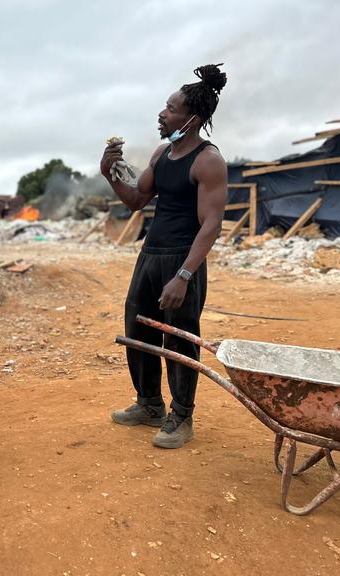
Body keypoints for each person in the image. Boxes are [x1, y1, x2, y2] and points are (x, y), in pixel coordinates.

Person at [100, 64, 228, 449]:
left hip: (182, 260)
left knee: (179, 339)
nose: (162, 114)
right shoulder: (162, 154)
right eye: (165, 107)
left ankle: (182, 417)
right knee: (138, 330)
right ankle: (150, 404)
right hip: (151, 254)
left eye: (170, 109)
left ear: (192, 118)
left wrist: (184, 276)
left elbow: (211, 224)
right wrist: (110, 174)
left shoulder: (208, 160)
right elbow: (137, 199)